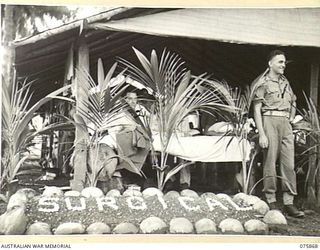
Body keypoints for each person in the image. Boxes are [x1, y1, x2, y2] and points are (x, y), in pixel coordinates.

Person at [253, 50, 304, 218]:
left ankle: (289, 202)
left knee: (289, 164)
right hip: (269, 120)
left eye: (284, 62)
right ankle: (271, 198)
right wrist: (262, 134)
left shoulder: (285, 82)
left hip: (285, 125)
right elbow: (257, 109)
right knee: (270, 161)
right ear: (270, 64)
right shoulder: (263, 82)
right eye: (280, 62)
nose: (283, 65)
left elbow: (293, 100)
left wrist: (290, 117)